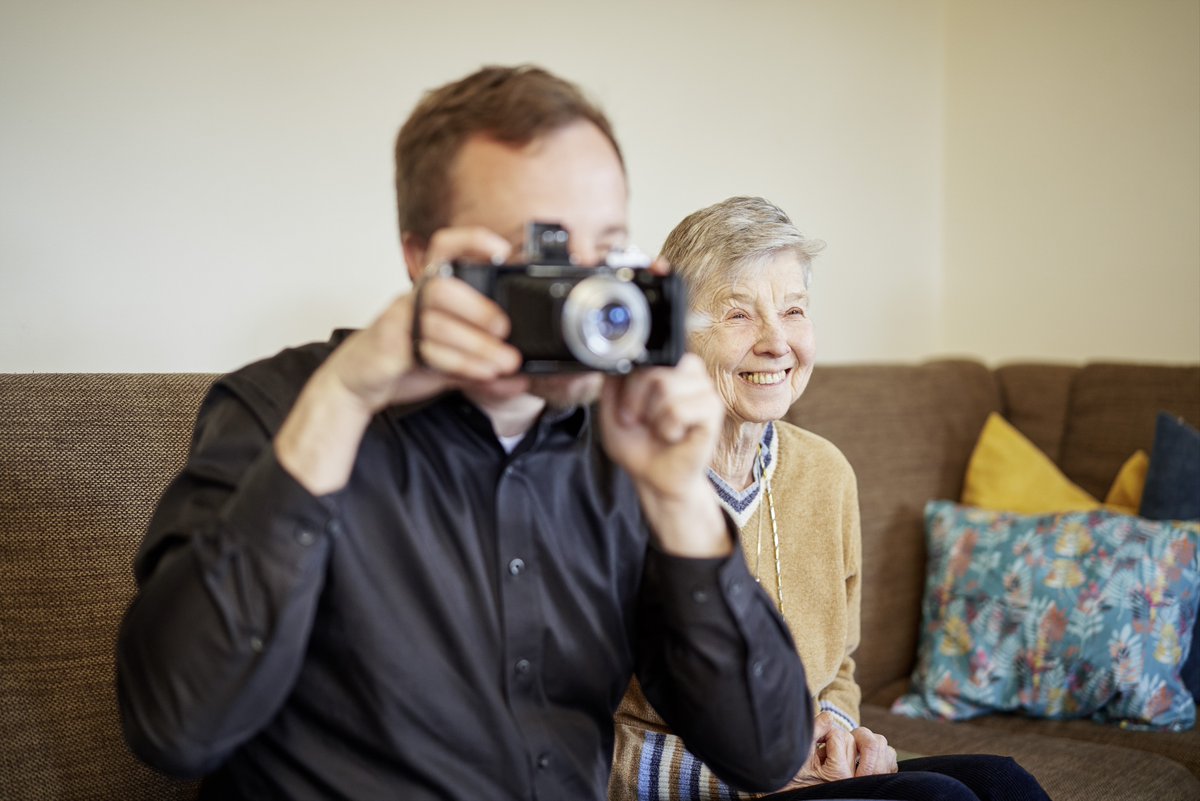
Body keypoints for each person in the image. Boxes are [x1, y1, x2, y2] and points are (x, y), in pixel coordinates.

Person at [113, 67, 814, 800]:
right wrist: (343, 402)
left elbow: (766, 752)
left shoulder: (623, 442)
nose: (582, 291)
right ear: (424, 259)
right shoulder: (284, 406)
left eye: (604, 248)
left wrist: (680, 500)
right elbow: (173, 727)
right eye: (541, 248)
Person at [609, 196, 1051, 801]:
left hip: (800, 771)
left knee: (1004, 782)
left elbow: (839, 666)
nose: (776, 342)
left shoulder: (825, 472)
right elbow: (575, 734)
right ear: (672, 338)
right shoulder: (621, 486)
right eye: (739, 315)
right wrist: (745, 778)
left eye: (793, 311)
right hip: (691, 789)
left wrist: (841, 736)